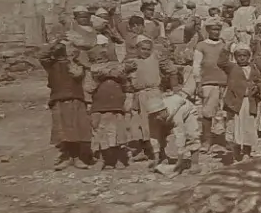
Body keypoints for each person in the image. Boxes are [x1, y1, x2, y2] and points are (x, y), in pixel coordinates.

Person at [39, 37, 93, 171]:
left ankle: (77, 158)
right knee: (63, 131)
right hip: (58, 100)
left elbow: (81, 71)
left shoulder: (75, 65)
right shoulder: (51, 65)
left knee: (76, 129)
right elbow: (41, 54)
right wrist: (56, 41)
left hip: (75, 98)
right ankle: (67, 157)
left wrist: (73, 57)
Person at [85, 45, 136, 170]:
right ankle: (103, 160)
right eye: (96, 58)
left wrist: (128, 98)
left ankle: (119, 159)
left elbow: (126, 83)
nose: (99, 60)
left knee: (118, 133)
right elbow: (88, 88)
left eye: (102, 57)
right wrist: (98, 79)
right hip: (99, 106)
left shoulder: (117, 68)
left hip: (116, 105)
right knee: (101, 134)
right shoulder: (91, 72)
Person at [192, 16, 230, 152]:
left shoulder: (224, 44)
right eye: (213, 29)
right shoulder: (201, 45)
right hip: (208, 82)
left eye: (218, 29)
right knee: (207, 112)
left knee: (224, 112)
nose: (216, 32)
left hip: (224, 81)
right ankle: (206, 141)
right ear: (208, 30)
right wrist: (198, 83)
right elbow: (196, 66)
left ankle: (223, 141)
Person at [127, 35, 166, 163]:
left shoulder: (155, 58)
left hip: (153, 94)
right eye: (143, 49)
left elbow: (169, 68)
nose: (145, 52)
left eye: (148, 49)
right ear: (137, 49)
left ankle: (159, 152)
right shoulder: (132, 62)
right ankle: (141, 151)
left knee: (153, 124)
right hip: (139, 95)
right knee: (137, 124)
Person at [220, 43, 261, 162]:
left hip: (249, 102)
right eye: (239, 56)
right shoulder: (232, 67)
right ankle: (236, 153)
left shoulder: (253, 68)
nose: (242, 58)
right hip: (235, 103)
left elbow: (259, 81)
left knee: (248, 127)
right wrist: (226, 47)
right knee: (235, 127)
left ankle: (247, 153)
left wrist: (257, 87)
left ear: (249, 56)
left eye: (245, 55)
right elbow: (221, 63)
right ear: (235, 57)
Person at [148, 91, 202, 178]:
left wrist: (179, 161)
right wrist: (156, 159)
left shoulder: (176, 113)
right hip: (169, 118)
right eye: (155, 115)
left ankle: (195, 164)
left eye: (159, 114)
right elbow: (153, 136)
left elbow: (180, 137)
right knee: (160, 135)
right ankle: (162, 159)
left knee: (192, 135)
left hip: (187, 112)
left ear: (164, 110)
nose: (157, 117)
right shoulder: (153, 117)